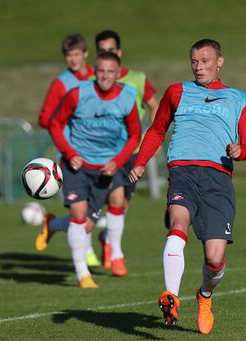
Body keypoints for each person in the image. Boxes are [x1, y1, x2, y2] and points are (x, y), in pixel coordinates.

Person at [129, 39, 246, 335]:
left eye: (205, 61)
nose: (199, 67)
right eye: (194, 62)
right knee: (179, 222)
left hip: (218, 179)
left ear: (220, 62)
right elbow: (157, 129)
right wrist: (140, 161)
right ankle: (171, 296)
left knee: (214, 258)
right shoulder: (177, 92)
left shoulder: (239, 99)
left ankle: (205, 295)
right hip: (183, 171)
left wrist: (241, 151)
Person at [49, 51, 141, 287]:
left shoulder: (127, 99)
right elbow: (55, 124)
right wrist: (70, 154)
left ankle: (52, 225)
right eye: (101, 71)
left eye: (110, 72)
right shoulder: (78, 94)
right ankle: (83, 275)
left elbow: (134, 136)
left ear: (118, 73)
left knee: (105, 210)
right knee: (80, 216)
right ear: (94, 71)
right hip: (76, 165)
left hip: (107, 167)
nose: (105, 76)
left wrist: (118, 161)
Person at [94, 30, 160, 275]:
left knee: (123, 203)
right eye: (103, 50)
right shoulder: (92, 82)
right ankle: (115, 252)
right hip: (103, 153)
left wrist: (153, 136)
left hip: (132, 151)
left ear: (119, 53)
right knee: (110, 200)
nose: (108, 53)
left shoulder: (137, 79)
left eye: (111, 49)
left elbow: (154, 106)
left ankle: (107, 239)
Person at [34, 33, 102, 267]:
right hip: (71, 153)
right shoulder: (61, 83)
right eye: (68, 55)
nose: (72, 59)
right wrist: (67, 118)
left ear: (85, 54)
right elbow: (44, 118)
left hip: (99, 152)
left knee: (94, 208)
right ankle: (86, 255)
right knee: (80, 208)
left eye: (76, 54)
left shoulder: (99, 75)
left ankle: (52, 225)